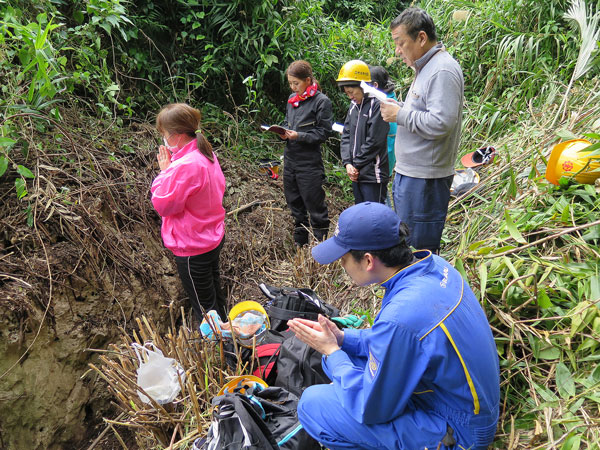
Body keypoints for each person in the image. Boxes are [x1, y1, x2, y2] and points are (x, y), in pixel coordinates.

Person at [288, 202, 500, 450]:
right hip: (458, 402)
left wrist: (332, 352)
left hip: (460, 431)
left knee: (313, 405)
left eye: (343, 259)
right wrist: (343, 339)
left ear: (368, 260)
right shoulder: (432, 268)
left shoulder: (402, 315)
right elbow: (400, 340)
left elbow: (370, 408)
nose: (342, 266)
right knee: (344, 358)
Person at [380, 7, 464, 253]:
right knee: (408, 241)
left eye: (400, 43)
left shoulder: (442, 70)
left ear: (422, 38)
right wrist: (402, 108)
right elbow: (425, 111)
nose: (397, 51)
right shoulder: (426, 68)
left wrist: (400, 114)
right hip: (413, 174)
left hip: (425, 179)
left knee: (419, 250)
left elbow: (441, 123)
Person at [151, 103, 228, 322]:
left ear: (175, 136)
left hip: (193, 248)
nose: (164, 139)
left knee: (205, 311)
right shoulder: (205, 152)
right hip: (211, 237)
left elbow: (163, 204)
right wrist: (171, 170)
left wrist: (165, 173)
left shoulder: (185, 165)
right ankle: (232, 342)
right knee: (215, 297)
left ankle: (223, 352)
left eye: (164, 134)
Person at [281, 60, 332, 246]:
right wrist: (283, 132)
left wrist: (299, 136)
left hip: (309, 164)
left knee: (315, 206)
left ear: (308, 80)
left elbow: (324, 132)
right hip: (291, 161)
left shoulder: (321, 102)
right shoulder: (291, 100)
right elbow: (288, 123)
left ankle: (321, 247)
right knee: (295, 206)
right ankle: (300, 246)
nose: (293, 88)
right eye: (290, 83)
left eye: (297, 83)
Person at [337, 60, 389, 204]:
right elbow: (346, 135)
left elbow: (374, 141)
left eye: (352, 92)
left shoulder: (377, 105)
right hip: (356, 172)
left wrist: (356, 165)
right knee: (361, 214)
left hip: (373, 173)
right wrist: (347, 163)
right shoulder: (353, 106)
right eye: (347, 93)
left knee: (374, 215)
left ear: (363, 86)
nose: (350, 96)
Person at [368, 65, 397, 207]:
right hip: (384, 161)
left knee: (382, 195)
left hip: (382, 162)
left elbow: (388, 140)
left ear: (375, 85)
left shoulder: (386, 105)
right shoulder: (389, 98)